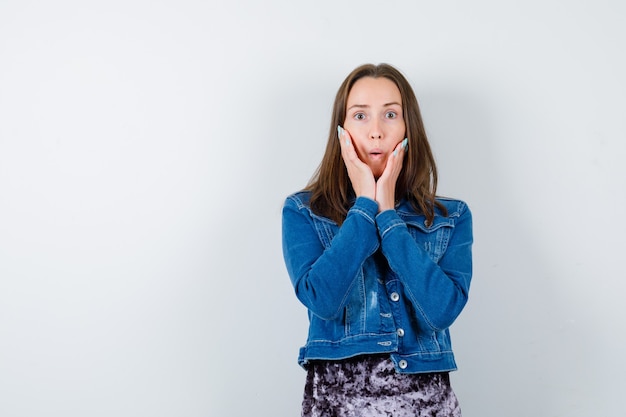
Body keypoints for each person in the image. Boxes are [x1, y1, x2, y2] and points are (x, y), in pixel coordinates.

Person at [282, 63, 473, 417]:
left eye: (390, 114)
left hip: (426, 402)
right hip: (338, 399)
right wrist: (365, 206)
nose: (375, 132)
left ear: (408, 127)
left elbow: (441, 311)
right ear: (341, 131)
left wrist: (388, 217)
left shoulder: (452, 217)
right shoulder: (303, 211)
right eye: (359, 116)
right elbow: (322, 300)